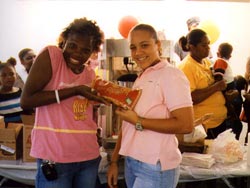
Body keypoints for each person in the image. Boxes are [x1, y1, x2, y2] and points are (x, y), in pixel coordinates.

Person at [20, 17, 109, 188]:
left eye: (85, 50)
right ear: (64, 41)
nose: (77, 53)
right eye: (72, 45)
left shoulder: (90, 74)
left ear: (92, 52)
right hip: (55, 158)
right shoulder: (52, 56)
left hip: (88, 158)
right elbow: (27, 100)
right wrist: (75, 90)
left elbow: (85, 113)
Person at [107, 23, 194, 188]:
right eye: (133, 47)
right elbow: (127, 124)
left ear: (158, 45)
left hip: (155, 166)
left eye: (144, 45)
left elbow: (185, 124)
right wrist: (114, 161)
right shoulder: (141, 77)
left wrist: (139, 121)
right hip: (132, 162)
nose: (138, 52)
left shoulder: (171, 74)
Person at [178, 29, 228, 139]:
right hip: (204, 128)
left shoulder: (206, 62)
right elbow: (190, 98)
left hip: (219, 122)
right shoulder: (186, 67)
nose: (208, 48)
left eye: (208, 44)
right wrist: (217, 87)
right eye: (204, 45)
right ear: (192, 46)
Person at [0, 58, 23, 125]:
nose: (9, 77)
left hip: (22, 131)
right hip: (6, 133)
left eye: (11, 74)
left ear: (16, 75)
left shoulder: (21, 93)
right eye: (4, 75)